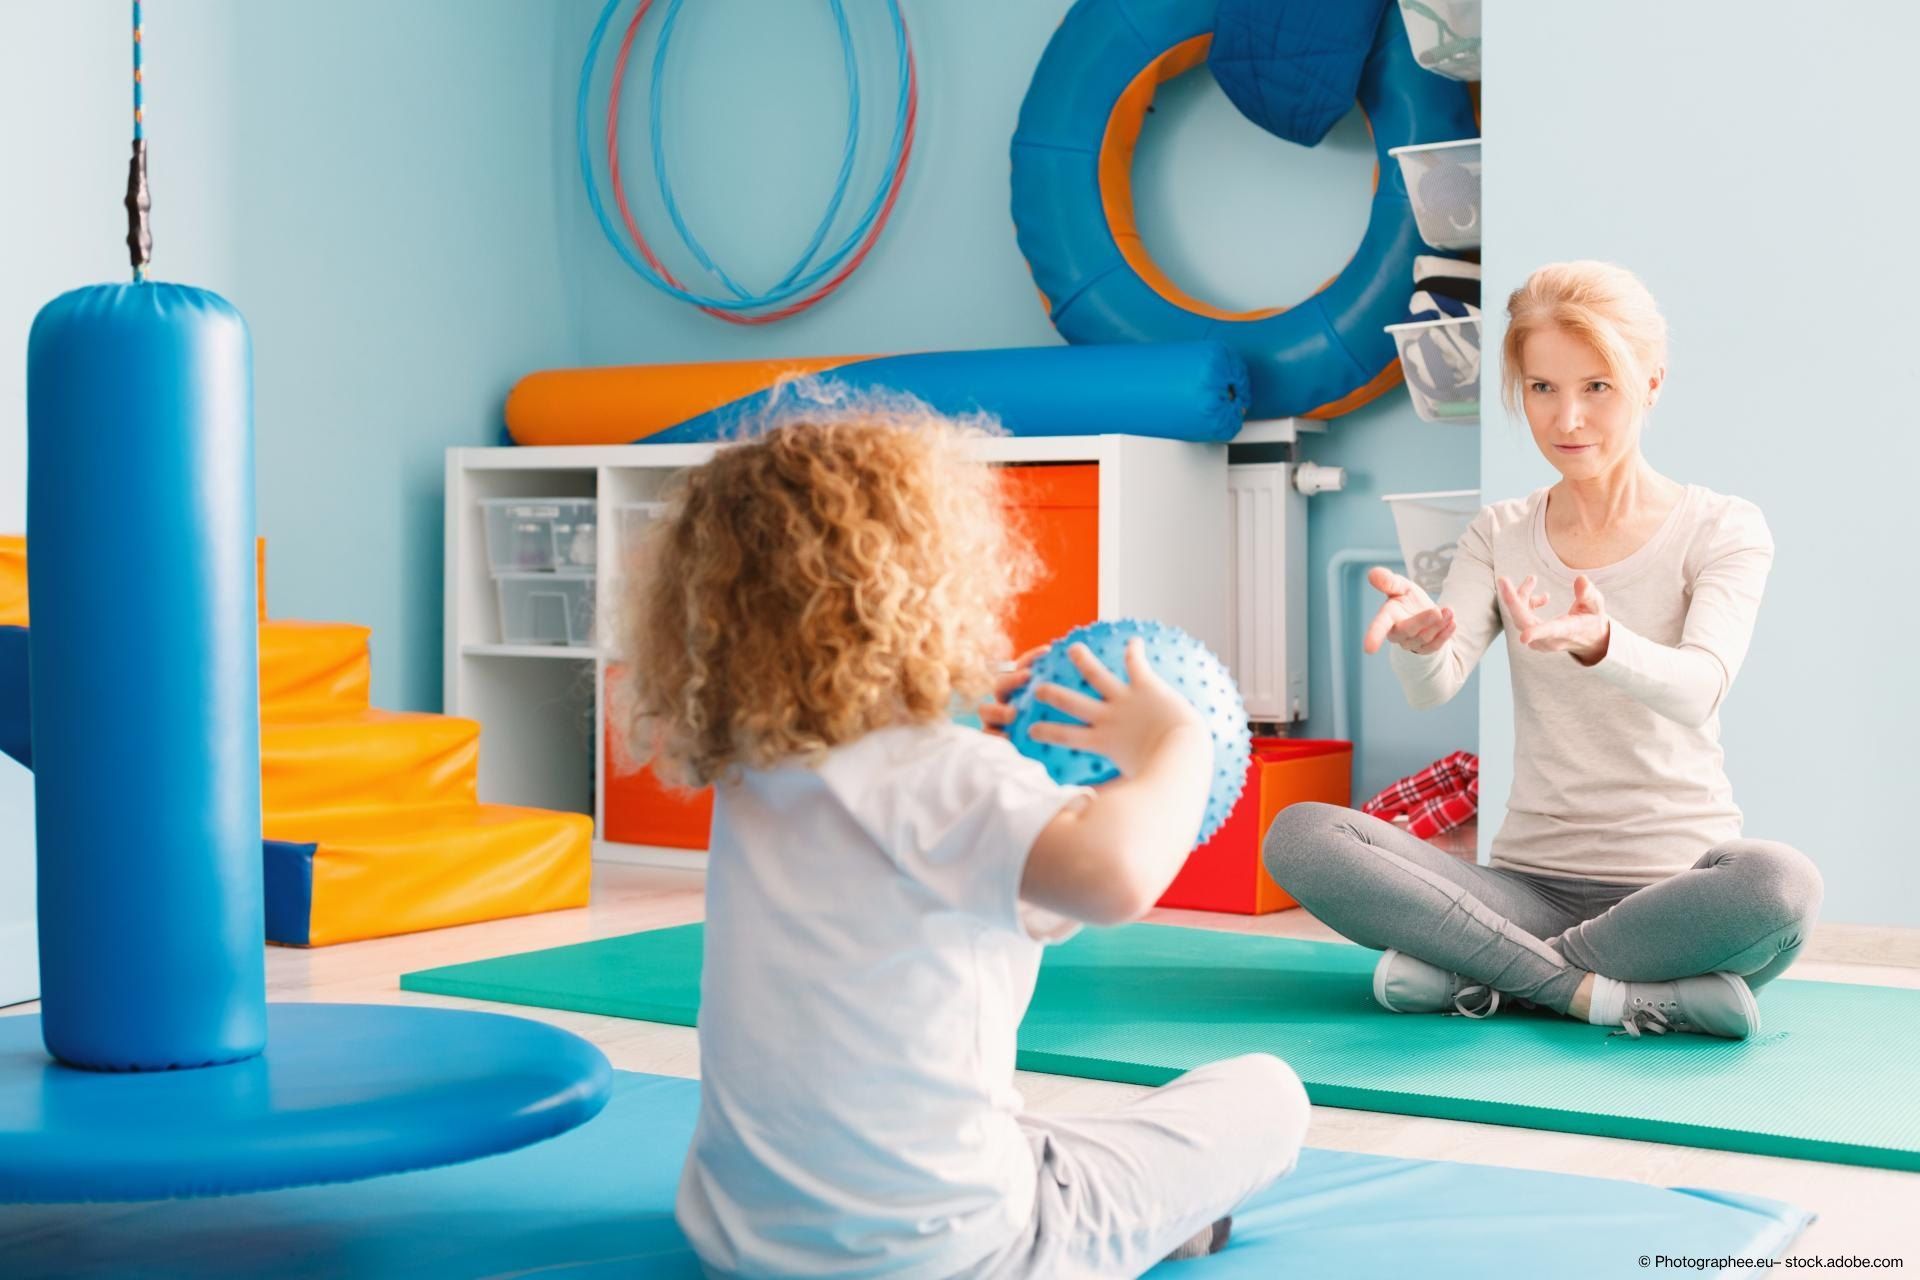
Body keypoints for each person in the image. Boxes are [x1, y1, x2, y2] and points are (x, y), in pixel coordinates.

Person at [611, 404, 1310, 1279]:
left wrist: (966, 734)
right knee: (1266, 1093)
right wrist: (1179, 742)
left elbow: (909, 816)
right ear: (930, 588)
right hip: (956, 1255)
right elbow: (1115, 875)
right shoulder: (950, 778)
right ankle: (1150, 1224)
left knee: (1042, 1126)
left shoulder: (759, 771)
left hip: (743, 1234)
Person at [1263, 260, 1822, 1041]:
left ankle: (1486, 975)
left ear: (1651, 383)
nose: (1568, 418)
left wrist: (1605, 644)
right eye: (1541, 388)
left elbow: (1701, 686)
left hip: (1675, 899)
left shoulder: (1723, 527)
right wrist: (1421, 645)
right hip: (1525, 890)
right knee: (1301, 836)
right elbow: (1433, 685)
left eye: (1598, 387)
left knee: (1780, 884)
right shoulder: (1500, 531)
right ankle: (1599, 995)